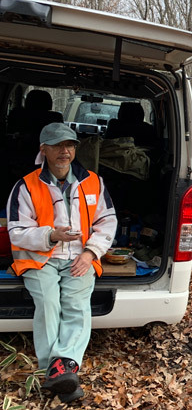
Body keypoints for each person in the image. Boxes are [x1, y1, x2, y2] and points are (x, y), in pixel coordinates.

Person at [6, 123, 117, 403]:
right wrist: (50, 235)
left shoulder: (93, 181)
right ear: (43, 150)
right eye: (56, 146)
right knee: (49, 303)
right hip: (40, 258)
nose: (64, 151)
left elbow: (107, 221)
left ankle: (61, 368)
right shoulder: (26, 185)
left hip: (80, 257)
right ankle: (59, 370)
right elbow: (16, 230)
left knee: (77, 304)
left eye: (69, 145)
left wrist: (91, 253)